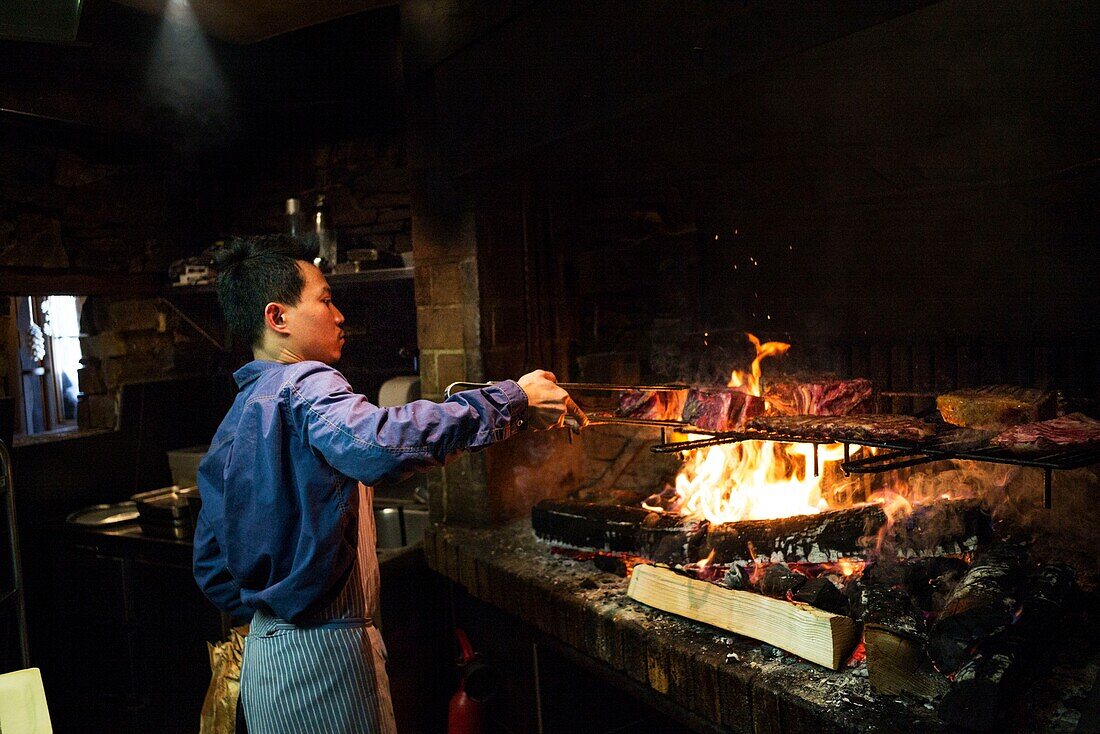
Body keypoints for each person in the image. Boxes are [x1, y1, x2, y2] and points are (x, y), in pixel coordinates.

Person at [192, 235, 579, 734]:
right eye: (326, 299)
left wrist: (277, 610)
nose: (339, 315)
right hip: (325, 661)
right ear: (278, 317)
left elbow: (210, 561)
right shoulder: (306, 382)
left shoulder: (238, 412)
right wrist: (512, 400)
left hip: (268, 662)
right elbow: (379, 445)